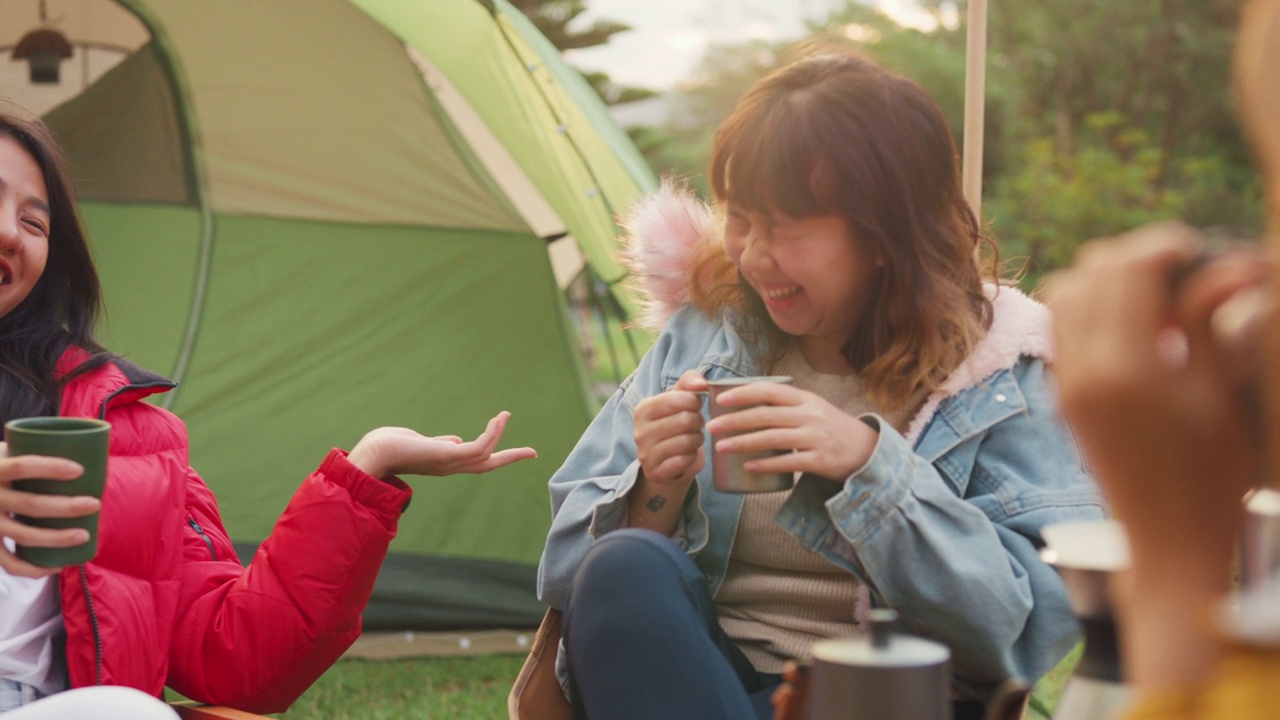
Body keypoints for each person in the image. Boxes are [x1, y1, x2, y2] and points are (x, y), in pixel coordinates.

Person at [535, 47, 1104, 720]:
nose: (754, 255)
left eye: (788, 229)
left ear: (883, 233)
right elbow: (568, 581)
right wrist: (655, 490)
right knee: (623, 565)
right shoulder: (709, 332)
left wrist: (870, 466)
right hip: (692, 679)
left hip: (885, 697)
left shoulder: (998, 368)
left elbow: (1022, 633)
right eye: (741, 218)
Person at [0, 112, 537, 716]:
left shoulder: (128, 435)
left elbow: (236, 659)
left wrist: (369, 469)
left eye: (34, 221)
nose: (11, 233)